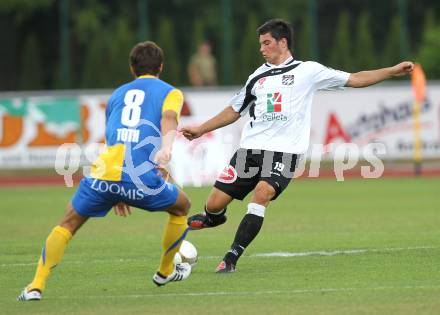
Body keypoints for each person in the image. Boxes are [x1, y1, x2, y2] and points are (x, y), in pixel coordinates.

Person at [181, 19, 414, 273]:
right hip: (250, 151)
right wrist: (201, 129)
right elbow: (233, 110)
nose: (262, 48)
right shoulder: (257, 77)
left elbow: (354, 78)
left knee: (262, 193)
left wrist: (391, 71)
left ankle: (231, 257)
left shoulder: (308, 71)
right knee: (214, 203)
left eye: (267, 43)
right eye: (260, 44)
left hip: (286, 152)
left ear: (283, 42)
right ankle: (213, 219)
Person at [18, 41, 192, 301]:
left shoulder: (118, 94)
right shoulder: (171, 92)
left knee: (67, 224)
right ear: (161, 67)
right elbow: (169, 118)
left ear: (132, 68)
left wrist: (117, 192)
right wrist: (166, 148)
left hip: (104, 172)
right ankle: (165, 271)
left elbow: (113, 137)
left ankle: (35, 286)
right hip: (140, 177)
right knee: (182, 206)